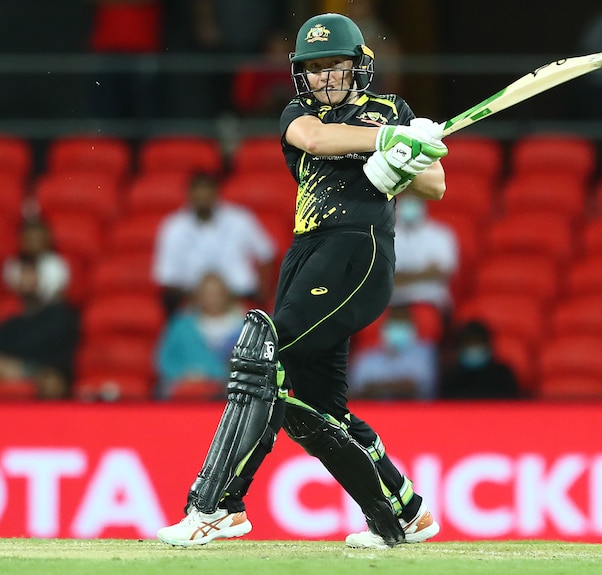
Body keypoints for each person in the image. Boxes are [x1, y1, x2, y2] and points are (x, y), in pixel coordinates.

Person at [157, 13, 448, 549]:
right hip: (307, 255)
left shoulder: (392, 109)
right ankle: (407, 512)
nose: (325, 78)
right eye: (314, 69)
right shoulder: (302, 113)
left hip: (356, 251)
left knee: (263, 360)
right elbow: (315, 139)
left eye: (335, 66)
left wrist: (408, 162)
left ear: (359, 65)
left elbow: (436, 183)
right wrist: (384, 143)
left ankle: (218, 505)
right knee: (317, 408)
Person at [151, 172, 276, 316]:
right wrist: (204, 299)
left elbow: (266, 253)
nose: (203, 197)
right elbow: (167, 278)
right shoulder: (173, 227)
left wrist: (262, 291)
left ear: (217, 192)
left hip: (240, 300)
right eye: (198, 192)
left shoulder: (240, 219)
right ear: (189, 194)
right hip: (192, 306)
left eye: (207, 191)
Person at [0, 255, 79, 400]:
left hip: (46, 369)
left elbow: (49, 347)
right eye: (22, 274)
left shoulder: (60, 313)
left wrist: (12, 362)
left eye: (31, 274)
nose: (25, 279)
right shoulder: (13, 321)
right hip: (15, 366)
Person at [154, 273, 245, 400]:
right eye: (207, 293)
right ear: (198, 296)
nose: (212, 298)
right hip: (183, 390)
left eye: (216, 293)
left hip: (226, 393)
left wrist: (213, 377)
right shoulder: (182, 324)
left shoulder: (243, 326)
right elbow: (165, 359)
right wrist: (185, 376)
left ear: (226, 294)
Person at [348, 304, 438, 400]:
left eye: (402, 323)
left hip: (416, 411)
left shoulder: (425, 353)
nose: (398, 327)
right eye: (394, 322)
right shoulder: (367, 356)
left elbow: (418, 387)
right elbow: (357, 389)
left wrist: (376, 387)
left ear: (412, 326)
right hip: (373, 411)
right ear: (384, 327)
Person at [392, 194, 458, 312]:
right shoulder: (387, 235)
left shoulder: (441, 234)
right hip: (393, 303)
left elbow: (440, 272)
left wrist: (401, 276)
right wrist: (422, 273)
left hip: (429, 301)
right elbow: (383, 275)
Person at [439, 320, 521, 400]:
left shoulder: (503, 376)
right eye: (470, 343)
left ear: (487, 345)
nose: (474, 347)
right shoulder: (452, 379)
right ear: (461, 347)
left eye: (478, 342)